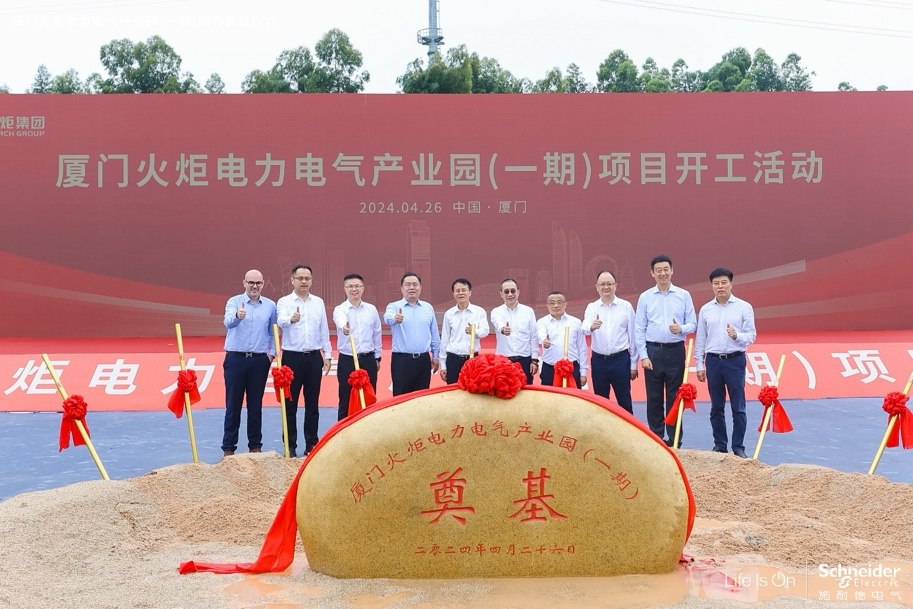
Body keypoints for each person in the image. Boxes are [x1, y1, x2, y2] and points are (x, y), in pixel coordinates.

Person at [634, 255, 696, 447]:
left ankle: (675, 438)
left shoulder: (683, 295)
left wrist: (681, 329)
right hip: (653, 351)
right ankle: (656, 438)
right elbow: (639, 328)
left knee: (674, 397)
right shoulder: (645, 297)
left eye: (666, 269)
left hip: (675, 351)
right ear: (652, 273)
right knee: (653, 398)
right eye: (658, 270)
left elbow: (693, 323)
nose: (663, 273)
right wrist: (643, 355)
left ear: (672, 270)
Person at [695, 267, 757, 458]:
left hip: (735, 361)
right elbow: (700, 339)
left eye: (724, 282)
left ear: (731, 283)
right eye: (716, 283)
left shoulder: (744, 307)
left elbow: (752, 335)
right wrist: (699, 364)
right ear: (711, 286)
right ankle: (720, 445)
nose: (720, 286)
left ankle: (738, 447)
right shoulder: (706, 309)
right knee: (716, 407)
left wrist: (736, 335)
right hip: (713, 361)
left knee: (738, 406)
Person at [277, 265, 332, 456]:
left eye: (307, 278)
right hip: (291, 359)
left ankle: (311, 444)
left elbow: (323, 330)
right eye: (299, 278)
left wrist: (328, 354)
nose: (303, 281)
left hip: (313, 358)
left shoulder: (318, 302)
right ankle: (290, 446)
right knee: (289, 404)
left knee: (312, 403)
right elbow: (280, 321)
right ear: (292, 280)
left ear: (311, 280)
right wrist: (292, 319)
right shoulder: (284, 302)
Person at [221, 269, 276, 458]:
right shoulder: (234, 302)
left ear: (263, 284)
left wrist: (271, 355)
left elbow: (272, 332)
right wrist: (238, 316)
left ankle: (255, 446)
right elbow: (227, 323)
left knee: (255, 405)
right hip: (235, 359)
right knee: (233, 404)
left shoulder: (270, 305)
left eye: (258, 283)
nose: (254, 286)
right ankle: (229, 448)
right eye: (251, 282)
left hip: (259, 360)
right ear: (244, 282)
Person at [582, 270, 638, 414]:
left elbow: (633, 336)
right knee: (601, 402)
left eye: (609, 284)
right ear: (596, 287)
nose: (606, 287)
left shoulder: (626, 306)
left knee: (624, 400)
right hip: (599, 360)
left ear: (615, 286)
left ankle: (627, 432)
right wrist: (591, 326)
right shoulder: (592, 307)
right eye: (602, 284)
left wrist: (633, 365)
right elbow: (584, 328)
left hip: (621, 360)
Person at [333, 273, 382, 421]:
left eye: (357, 286)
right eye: (350, 286)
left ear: (363, 288)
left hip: (367, 359)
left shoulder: (371, 309)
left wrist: (377, 356)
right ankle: (342, 432)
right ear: (345, 289)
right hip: (348, 360)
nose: (354, 289)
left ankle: (367, 429)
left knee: (369, 395)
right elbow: (340, 321)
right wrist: (344, 327)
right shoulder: (340, 309)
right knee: (346, 396)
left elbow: (377, 333)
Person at [384, 272, 441, 396]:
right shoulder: (394, 306)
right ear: (401, 288)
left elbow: (434, 334)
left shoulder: (428, 307)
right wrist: (395, 318)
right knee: (400, 398)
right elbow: (387, 318)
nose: (411, 287)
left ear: (420, 287)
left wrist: (436, 356)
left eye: (415, 284)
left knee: (421, 398)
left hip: (423, 360)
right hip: (402, 360)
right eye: (407, 285)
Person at [439, 278, 490, 384]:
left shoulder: (479, 311)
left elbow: (485, 331)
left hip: (472, 358)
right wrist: (443, 365)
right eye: (457, 291)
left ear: (470, 292)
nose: (461, 293)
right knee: (453, 392)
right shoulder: (449, 314)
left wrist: (474, 332)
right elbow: (445, 339)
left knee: (473, 391)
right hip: (453, 359)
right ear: (453, 293)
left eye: (464, 290)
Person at [490, 278, 539, 384]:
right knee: (504, 392)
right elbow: (498, 323)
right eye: (506, 291)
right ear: (501, 294)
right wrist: (503, 329)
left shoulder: (528, 311)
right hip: (503, 360)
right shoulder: (496, 311)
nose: (510, 294)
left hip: (524, 360)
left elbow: (534, 337)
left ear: (518, 292)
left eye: (513, 291)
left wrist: (534, 360)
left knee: (525, 393)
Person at [537, 291, 588, 388]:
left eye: (559, 302)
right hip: (550, 369)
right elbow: (541, 334)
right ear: (547, 305)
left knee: (572, 399)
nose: (556, 306)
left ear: (565, 304)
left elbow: (582, 348)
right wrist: (544, 341)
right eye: (552, 303)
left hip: (571, 368)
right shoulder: (542, 322)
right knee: (550, 400)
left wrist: (583, 372)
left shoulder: (575, 322)